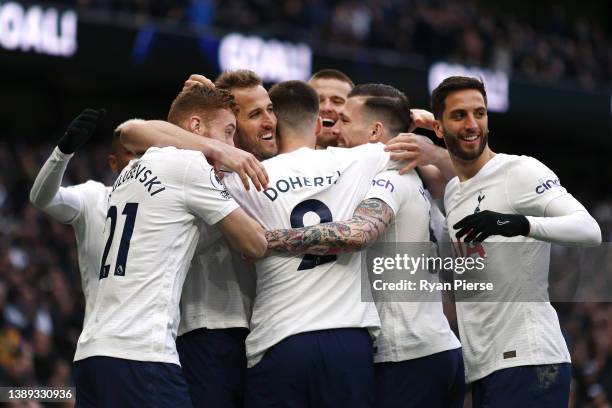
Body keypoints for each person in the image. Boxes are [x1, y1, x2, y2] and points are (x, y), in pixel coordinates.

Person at [265, 83, 464, 408]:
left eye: (344, 119)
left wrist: (268, 239)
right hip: (438, 347)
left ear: (375, 132)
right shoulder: (418, 182)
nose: (334, 128)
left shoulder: (391, 177)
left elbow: (360, 233)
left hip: (405, 354)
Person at [72, 86, 267, 408]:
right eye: (229, 133)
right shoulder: (190, 166)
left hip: (92, 353)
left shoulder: (130, 170)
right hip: (142, 353)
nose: (234, 145)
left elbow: (131, 130)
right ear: (195, 127)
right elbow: (255, 244)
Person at [222, 80, 403, 408]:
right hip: (348, 338)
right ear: (319, 124)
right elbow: (409, 140)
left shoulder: (243, 178)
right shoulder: (362, 160)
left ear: (274, 125)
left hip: (279, 338)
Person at [430, 75, 601, 408]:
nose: (472, 124)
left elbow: (589, 229)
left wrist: (519, 223)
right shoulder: (453, 193)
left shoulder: (519, 171)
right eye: (459, 115)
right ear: (439, 128)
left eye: (480, 113)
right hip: (484, 367)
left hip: (530, 360)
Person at [29, 109, 135, 328]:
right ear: (113, 163)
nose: (137, 162)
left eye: (144, 155)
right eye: (130, 154)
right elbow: (41, 199)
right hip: (101, 343)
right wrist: (63, 151)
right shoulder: (93, 196)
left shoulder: (171, 207)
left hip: (158, 350)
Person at [215, 70, 278, 160]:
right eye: (255, 114)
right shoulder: (207, 171)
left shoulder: (295, 164)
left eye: (270, 109)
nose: (270, 123)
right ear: (229, 126)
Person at [308, 68, 354, 149]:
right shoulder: (283, 159)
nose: (326, 108)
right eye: (318, 100)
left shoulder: (372, 158)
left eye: (337, 101)